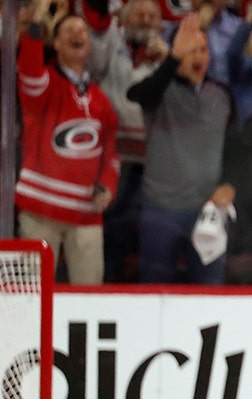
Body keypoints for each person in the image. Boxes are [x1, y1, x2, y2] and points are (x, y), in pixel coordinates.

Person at [128, 14, 237, 284]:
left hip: (208, 214)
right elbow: (138, 94)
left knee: (210, 298)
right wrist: (173, 59)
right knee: (154, 295)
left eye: (202, 49)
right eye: (190, 51)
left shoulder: (221, 95)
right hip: (161, 211)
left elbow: (236, 148)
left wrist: (230, 183)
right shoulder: (160, 90)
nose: (198, 56)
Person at [16, 0, 119, 284]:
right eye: (69, 30)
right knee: (34, 297)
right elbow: (29, 67)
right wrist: (36, 26)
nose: (78, 34)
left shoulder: (100, 100)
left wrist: (108, 186)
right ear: (56, 44)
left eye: (83, 31)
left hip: (86, 214)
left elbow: (111, 154)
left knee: (89, 299)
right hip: (41, 209)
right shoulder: (44, 84)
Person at [87, 0, 170, 282]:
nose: (146, 20)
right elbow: (94, 57)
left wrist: (168, 62)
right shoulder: (110, 44)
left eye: (152, 16)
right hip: (113, 162)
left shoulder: (168, 54)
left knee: (152, 239)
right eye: (139, 14)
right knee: (111, 235)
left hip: (154, 166)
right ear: (123, 19)